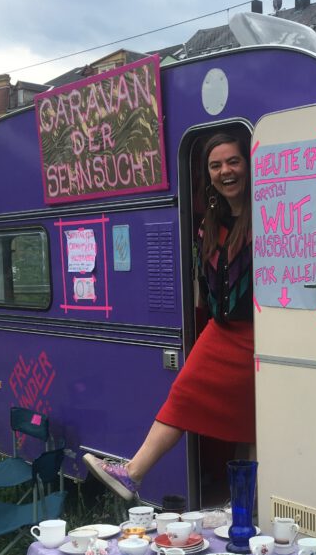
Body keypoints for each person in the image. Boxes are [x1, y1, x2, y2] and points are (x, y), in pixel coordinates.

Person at [83, 132, 255, 501]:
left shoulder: (269, 217)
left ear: (249, 164)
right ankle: (132, 474)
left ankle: (251, 506)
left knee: (257, 424)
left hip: (262, 332)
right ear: (208, 175)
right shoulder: (210, 223)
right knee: (182, 395)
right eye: (215, 165)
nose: (226, 171)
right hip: (222, 331)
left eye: (233, 162)